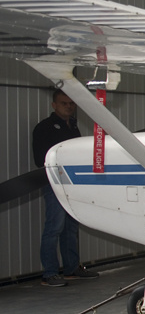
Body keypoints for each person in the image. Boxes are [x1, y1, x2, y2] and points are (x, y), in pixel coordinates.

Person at [32, 89, 99, 287]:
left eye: (71, 103)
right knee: (54, 227)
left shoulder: (73, 127)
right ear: (54, 105)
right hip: (54, 183)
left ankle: (71, 269)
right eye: (64, 103)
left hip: (72, 184)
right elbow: (39, 160)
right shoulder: (44, 128)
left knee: (71, 227)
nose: (68, 106)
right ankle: (50, 273)